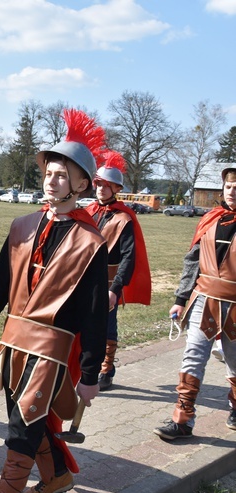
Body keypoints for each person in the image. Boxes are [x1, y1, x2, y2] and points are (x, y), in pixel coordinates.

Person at [0, 109, 108, 493]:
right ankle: (57, 476)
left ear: (81, 183)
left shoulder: (90, 241)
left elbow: (95, 313)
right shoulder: (22, 226)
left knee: (22, 427)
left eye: (62, 174)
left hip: (50, 351)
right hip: (13, 343)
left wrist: (90, 374)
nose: (52, 180)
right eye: (48, 173)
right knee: (25, 418)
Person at [154, 165, 236, 440]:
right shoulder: (212, 219)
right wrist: (180, 299)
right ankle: (182, 420)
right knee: (194, 356)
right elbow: (192, 263)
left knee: (235, 363)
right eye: (228, 187)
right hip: (205, 299)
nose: (232, 191)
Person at [84, 150, 151, 391]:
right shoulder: (89, 211)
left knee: (106, 326)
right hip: (84, 279)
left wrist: (115, 289)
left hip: (109, 282)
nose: (101, 189)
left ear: (116, 189)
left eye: (106, 185)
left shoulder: (125, 218)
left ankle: (106, 369)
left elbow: (129, 257)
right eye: (98, 184)